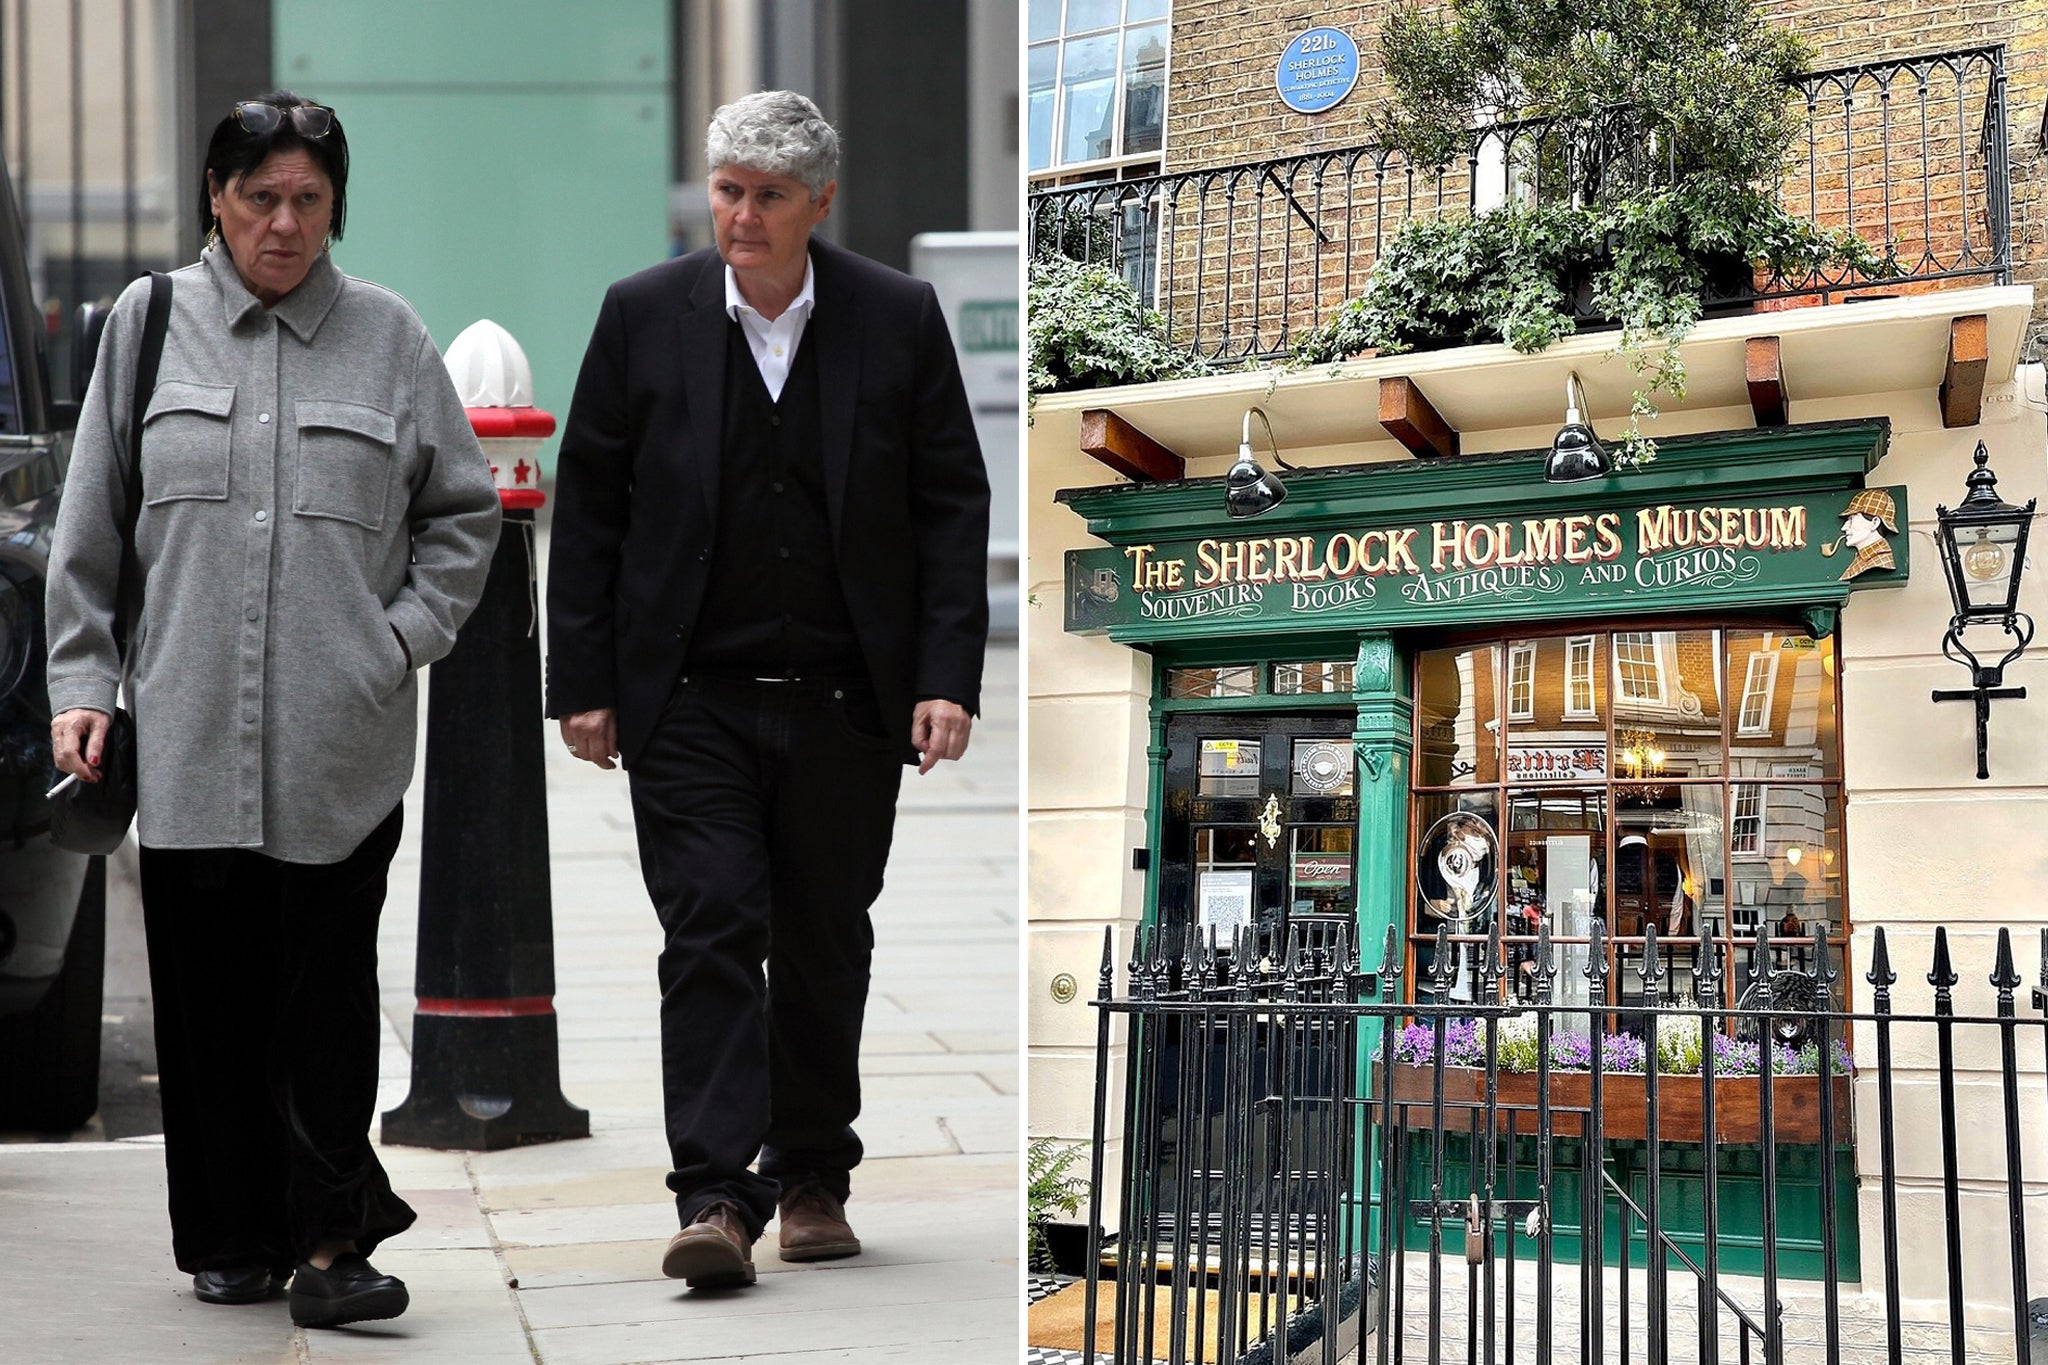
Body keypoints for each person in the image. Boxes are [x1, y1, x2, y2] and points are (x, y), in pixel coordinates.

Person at [45, 91, 500, 1328]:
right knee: (207, 1004)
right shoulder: (146, 328)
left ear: (335, 205)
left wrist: (396, 641)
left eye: (307, 200)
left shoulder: (391, 338)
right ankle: (228, 1237)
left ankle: (332, 1240)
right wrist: (83, 686)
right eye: (260, 198)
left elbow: (465, 515)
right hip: (188, 732)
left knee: (323, 999)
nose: (283, 224)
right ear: (216, 196)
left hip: (339, 743)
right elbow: (86, 539)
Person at [545, 90, 989, 1289]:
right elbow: (588, 504)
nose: (739, 217)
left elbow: (950, 504)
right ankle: (712, 1198)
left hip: (846, 699)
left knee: (823, 938)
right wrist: (581, 680)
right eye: (727, 191)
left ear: (818, 203)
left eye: (767, 197)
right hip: (688, 697)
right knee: (710, 930)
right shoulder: (641, 314)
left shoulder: (894, 318)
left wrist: (947, 676)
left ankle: (810, 1176)